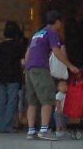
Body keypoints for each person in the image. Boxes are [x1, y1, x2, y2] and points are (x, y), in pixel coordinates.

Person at [24, 9, 79, 141]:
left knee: (32, 101)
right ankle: (44, 130)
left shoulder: (37, 33)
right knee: (48, 98)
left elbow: (27, 54)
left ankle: (31, 131)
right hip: (41, 68)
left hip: (29, 69)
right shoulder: (52, 32)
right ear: (58, 22)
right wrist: (70, 65)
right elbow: (56, 51)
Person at [0, 21, 25, 133]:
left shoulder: (0, 46)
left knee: (2, 101)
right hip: (14, 75)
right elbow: (22, 62)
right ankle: (7, 125)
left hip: (2, 74)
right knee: (12, 101)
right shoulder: (19, 46)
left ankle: (0, 125)